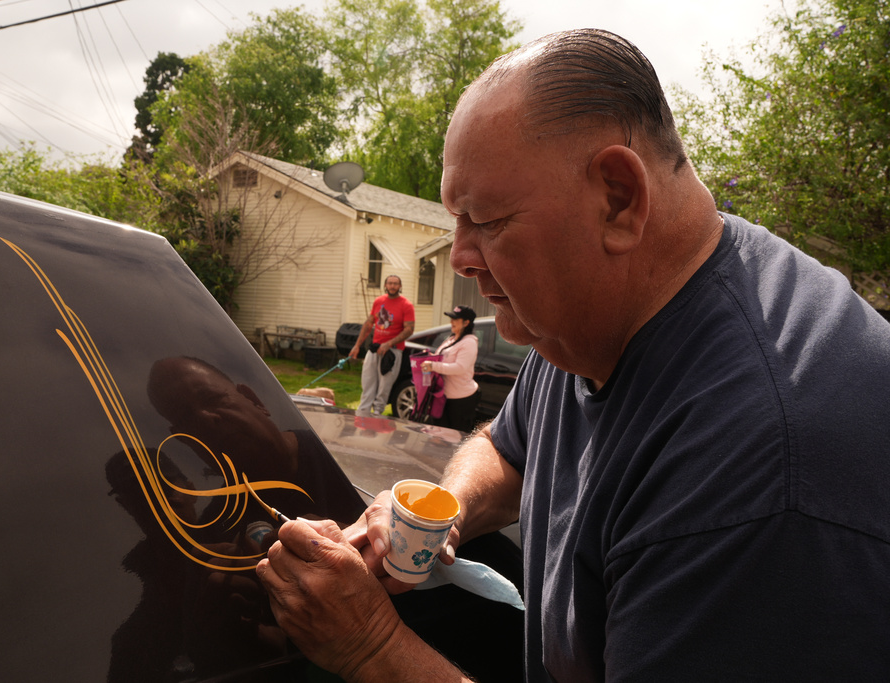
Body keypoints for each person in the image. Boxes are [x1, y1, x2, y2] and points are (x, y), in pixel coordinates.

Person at [255, 27, 890, 682]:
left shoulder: (757, 471)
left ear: (618, 196)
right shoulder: (584, 323)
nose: (463, 258)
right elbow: (507, 447)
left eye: (489, 221)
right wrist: (445, 510)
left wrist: (369, 647)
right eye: (456, 219)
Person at [348, 274, 416, 417]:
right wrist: (357, 345)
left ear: (400, 286)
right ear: (385, 285)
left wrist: (389, 344)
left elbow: (409, 329)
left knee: (384, 386)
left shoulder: (406, 305)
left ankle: (377, 413)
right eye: (390, 283)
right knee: (367, 381)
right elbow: (368, 324)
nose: (392, 286)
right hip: (375, 348)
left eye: (395, 283)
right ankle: (363, 413)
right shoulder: (379, 301)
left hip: (393, 351)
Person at [419, 305, 480, 432]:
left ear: (466, 322)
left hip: (461, 398)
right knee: (441, 436)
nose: (451, 322)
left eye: (455, 319)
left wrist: (433, 366)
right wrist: (431, 358)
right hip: (444, 396)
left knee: (457, 436)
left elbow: (460, 367)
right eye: (451, 318)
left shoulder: (469, 342)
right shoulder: (451, 338)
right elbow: (442, 357)